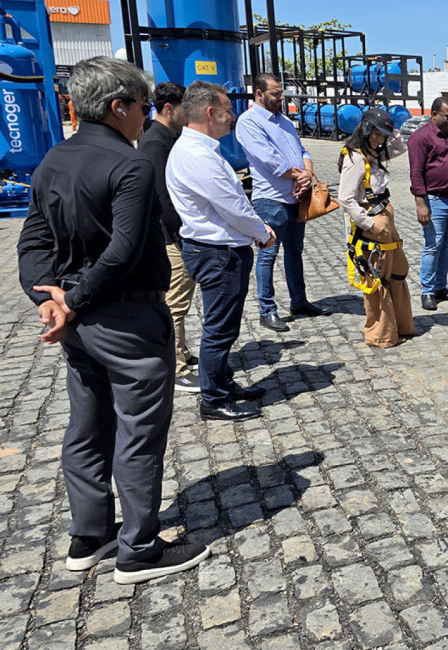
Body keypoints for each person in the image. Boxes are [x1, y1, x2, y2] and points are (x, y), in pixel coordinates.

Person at [17, 56, 211, 584]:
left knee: (88, 423)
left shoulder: (52, 160)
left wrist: (49, 297)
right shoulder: (131, 165)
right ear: (117, 106)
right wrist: (70, 299)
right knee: (138, 433)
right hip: (126, 316)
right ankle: (139, 549)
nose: (147, 118)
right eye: (143, 107)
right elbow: (125, 249)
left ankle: (90, 533)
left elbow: (33, 243)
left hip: (80, 325)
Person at [167, 81, 275, 423]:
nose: (233, 117)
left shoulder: (202, 149)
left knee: (224, 326)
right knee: (219, 329)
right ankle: (213, 399)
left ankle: (223, 384)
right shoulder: (197, 155)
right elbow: (232, 206)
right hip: (217, 252)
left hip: (219, 250)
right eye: (228, 110)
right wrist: (261, 233)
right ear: (210, 113)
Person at [236, 73, 330, 332]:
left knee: (295, 252)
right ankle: (267, 310)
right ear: (259, 93)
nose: (280, 98)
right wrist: (300, 175)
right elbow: (269, 160)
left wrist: (307, 174)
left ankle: (298, 301)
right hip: (271, 200)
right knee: (268, 255)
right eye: (275, 94)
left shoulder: (285, 121)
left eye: (281, 94)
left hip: (296, 198)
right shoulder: (249, 122)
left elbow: (303, 152)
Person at [139, 81, 199, 393]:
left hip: (172, 234)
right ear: (168, 109)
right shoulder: (155, 144)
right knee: (175, 303)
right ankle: (176, 367)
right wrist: (179, 235)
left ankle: (183, 351)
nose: (188, 117)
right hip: (169, 237)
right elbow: (163, 198)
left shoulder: (166, 138)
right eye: (184, 111)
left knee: (181, 300)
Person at [338, 108, 416, 347]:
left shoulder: (375, 152)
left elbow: (401, 147)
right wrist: (369, 223)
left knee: (397, 272)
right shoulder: (355, 157)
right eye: (376, 133)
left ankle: (401, 326)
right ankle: (381, 335)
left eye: (383, 135)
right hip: (371, 221)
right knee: (377, 278)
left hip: (384, 214)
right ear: (365, 128)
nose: (380, 138)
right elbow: (345, 197)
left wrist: (391, 130)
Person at [409, 97, 448, 311]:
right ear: (434, 114)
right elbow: (416, 172)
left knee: (445, 246)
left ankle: (440, 287)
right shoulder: (421, 138)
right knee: (432, 246)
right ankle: (427, 291)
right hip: (434, 200)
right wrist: (421, 202)